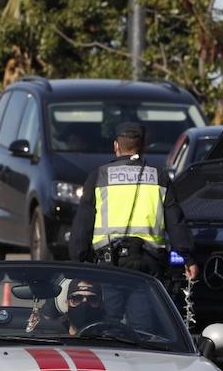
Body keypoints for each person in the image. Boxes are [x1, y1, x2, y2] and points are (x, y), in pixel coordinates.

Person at [69, 121, 199, 286]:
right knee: (145, 312)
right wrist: (188, 258)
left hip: (110, 264)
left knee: (111, 312)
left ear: (116, 146)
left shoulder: (98, 176)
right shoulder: (159, 177)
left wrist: (79, 261)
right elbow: (176, 221)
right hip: (149, 262)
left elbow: (83, 224)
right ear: (143, 147)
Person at [27, 277, 107, 336]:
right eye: (76, 298)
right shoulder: (50, 338)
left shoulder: (110, 339)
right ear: (67, 303)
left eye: (92, 299)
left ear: (100, 304)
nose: (84, 304)